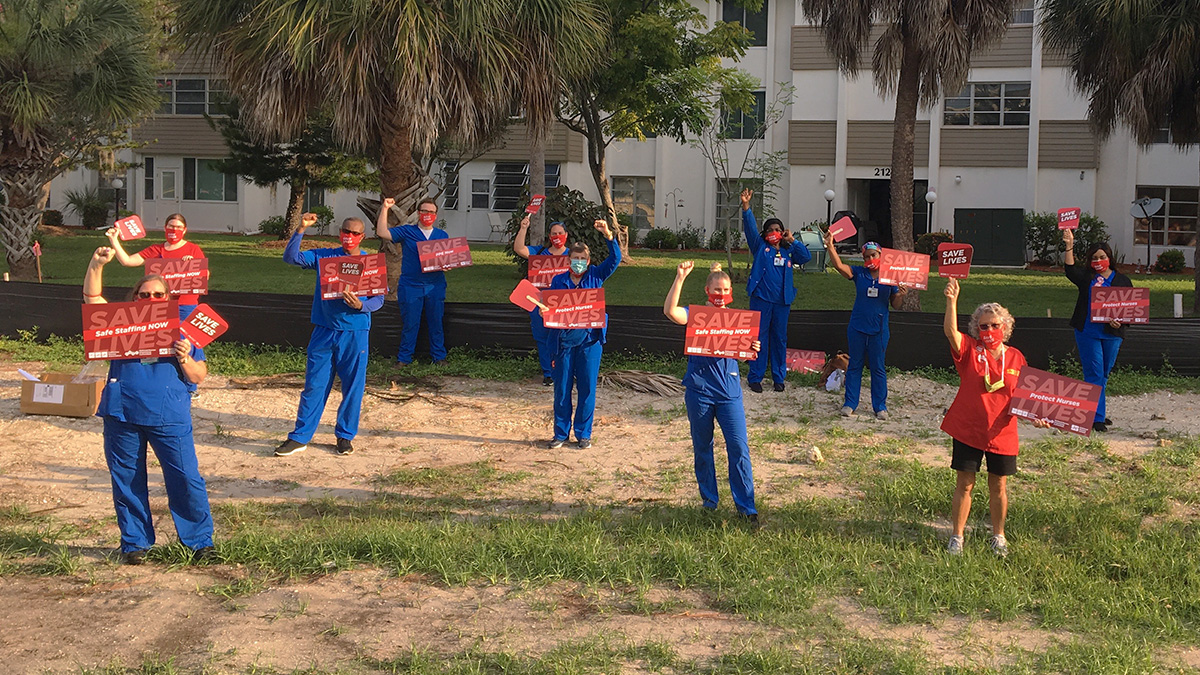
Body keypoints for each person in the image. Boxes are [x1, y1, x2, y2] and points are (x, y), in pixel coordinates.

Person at [83, 246, 213, 565]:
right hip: (122, 413)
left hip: (169, 415)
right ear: (135, 299)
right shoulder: (119, 324)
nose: (151, 300)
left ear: (167, 300)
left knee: (185, 478)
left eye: (158, 295)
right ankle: (135, 543)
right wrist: (96, 264)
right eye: (144, 295)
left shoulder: (183, 330)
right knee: (126, 479)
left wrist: (184, 357)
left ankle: (199, 541)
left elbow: (200, 374)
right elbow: (91, 299)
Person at [941, 278, 1049, 557]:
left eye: (995, 325)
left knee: (998, 486)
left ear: (1006, 328)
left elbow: (1026, 398)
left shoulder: (1016, 357)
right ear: (977, 329)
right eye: (984, 326)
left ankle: (998, 536)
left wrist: (1037, 416)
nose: (989, 330)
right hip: (969, 428)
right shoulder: (969, 350)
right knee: (965, 483)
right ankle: (957, 537)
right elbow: (950, 332)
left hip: (1002, 433)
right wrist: (952, 300)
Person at [275, 213, 384, 457]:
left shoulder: (371, 262)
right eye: (346, 231)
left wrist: (360, 306)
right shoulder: (326, 256)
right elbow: (291, 258)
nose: (350, 237)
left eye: (355, 233)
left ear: (362, 237)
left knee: (353, 387)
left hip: (355, 332)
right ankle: (300, 436)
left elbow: (378, 299)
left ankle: (345, 437)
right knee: (314, 385)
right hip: (324, 330)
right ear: (340, 233)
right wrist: (301, 229)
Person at [664, 261, 761, 522]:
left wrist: (752, 347)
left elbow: (742, 354)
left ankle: (746, 507)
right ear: (707, 290)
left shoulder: (737, 320)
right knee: (702, 447)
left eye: (726, 289)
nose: (721, 294)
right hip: (699, 391)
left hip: (729, 392)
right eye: (716, 289)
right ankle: (709, 501)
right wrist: (680, 278)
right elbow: (671, 312)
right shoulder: (697, 316)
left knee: (739, 447)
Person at [545, 219, 620, 449]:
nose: (578, 263)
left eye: (582, 259)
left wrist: (609, 235)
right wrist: (544, 311)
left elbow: (615, 260)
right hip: (564, 342)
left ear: (588, 261)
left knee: (587, 389)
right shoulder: (558, 281)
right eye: (574, 259)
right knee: (562, 389)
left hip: (590, 341)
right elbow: (551, 309)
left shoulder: (596, 275)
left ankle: (583, 434)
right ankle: (560, 433)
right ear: (568, 261)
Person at [824, 233, 909, 419]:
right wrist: (831, 246)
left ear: (880, 256)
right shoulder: (860, 273)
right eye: (867, 256)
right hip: (857, 327)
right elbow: (839, 266)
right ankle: (850, 403)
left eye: (873, 255)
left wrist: (901, 294)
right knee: (854, 365)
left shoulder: (890, 276)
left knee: (878, 368)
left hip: (879, 329)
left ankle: (880, 406)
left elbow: (895, 305)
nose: (870, 259)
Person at [740, 188, 811, 393]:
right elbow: (750, 228)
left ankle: (779, 377)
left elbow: (805, 258)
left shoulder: (789, 251)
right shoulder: (760, 247)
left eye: (777, 229)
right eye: (770, 230)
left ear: (782, 232)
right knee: (758, 339)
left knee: (779, 338)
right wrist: (746, 206)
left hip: (782, 301)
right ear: (765, 234)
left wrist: (793, 240)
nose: (774, 232)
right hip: (761, 299)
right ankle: (756, 377)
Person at [1062, 229, 1132, 433]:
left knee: (1104, 373)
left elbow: (1130, 308)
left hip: (1112, 334)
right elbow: (1070, 269)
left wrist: (1122, 322)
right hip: (1088, 331)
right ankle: (1096, 417)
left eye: (1102, 257)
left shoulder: (1122, 280)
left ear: (1110, 258)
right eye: (1094, 258)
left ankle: (1095, 412)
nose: (1099, 260)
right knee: (1093, 372)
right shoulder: (1087, 277)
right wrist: (1069, 244)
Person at [375, 196, 448, 367]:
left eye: (431, 212)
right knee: (410, 323)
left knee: (436, 322)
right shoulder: (407, 231)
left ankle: (439, 357)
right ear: (418, 213)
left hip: (435, 285)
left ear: (436, 215)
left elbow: (446, 259)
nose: (428, 215)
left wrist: (447, 265)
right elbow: (382, 232)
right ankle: (404, 358)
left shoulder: (442, 235)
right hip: (411, 285)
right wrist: (385, 208)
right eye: (424, 211)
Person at [106, 213, 206, 321]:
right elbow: (127, 261)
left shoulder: (193, 249)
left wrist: (192, 265)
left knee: (184, 336)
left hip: (185, 304)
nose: (174, 229)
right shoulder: (156, 250)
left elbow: (205, 275)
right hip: (159, 303)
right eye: (171, 226)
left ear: (184, 230)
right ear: (165, 228)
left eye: (178, 227)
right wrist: (113, 240)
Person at [513, 216, 571, 385]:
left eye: (560, 233)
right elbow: (519, 249)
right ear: (549, 235)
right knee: (542, 337)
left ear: (566, 235)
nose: (557, 236)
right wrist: (523, 228)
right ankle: (548, 373)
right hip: (539, 301)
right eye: (554, 233)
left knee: (564, 337)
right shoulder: (539, 253)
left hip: (563, 302)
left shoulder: (572, 254)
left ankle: (564, 370)